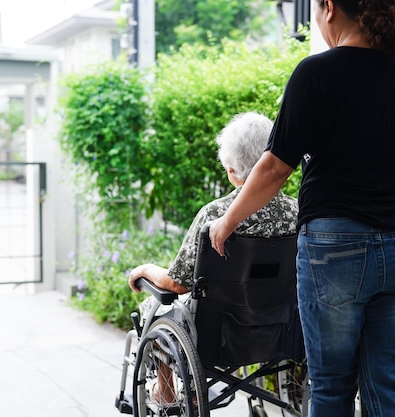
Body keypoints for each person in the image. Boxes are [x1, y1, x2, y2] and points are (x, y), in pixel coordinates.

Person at [208, 1, 395, 416]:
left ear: (329, 7)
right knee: (387, 379)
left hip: (337, 248)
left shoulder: (316, 73)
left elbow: (275, 166)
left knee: (332, 385)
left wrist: (228, 220)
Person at [127, 112, 299, 404]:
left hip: (219, 335)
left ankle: (166, 392)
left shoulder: (216, 215)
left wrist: (145, 269)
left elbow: (176, 284)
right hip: (280, 328)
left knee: (151, 307)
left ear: (232, 171)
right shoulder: (299, 212)